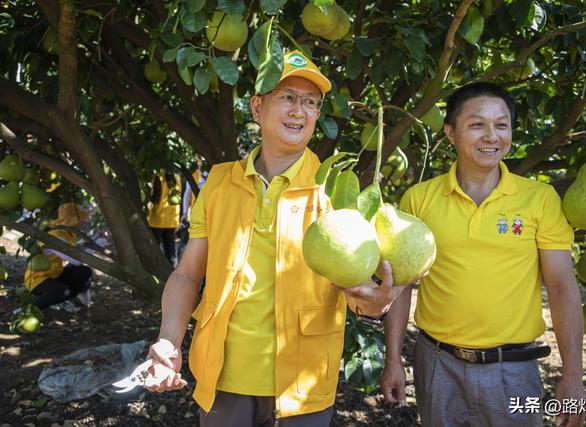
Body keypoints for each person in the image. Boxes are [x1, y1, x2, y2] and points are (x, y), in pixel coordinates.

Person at [144, 50, 407, 426]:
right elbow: (187, 274)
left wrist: (376, 304)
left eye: (311, 103)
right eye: (287, 98)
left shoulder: (337, 191)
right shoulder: (219, 183)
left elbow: (359, 291)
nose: (299, 111)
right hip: (223, 377)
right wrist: (169, 341)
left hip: (304, 382)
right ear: (257, 106)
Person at [380, 82, 585, 427]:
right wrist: (393, 360)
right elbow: (402, 285)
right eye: (477, 125)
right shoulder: (419, 199)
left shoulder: (540, 199)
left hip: (514, 369)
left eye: (501, 125)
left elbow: (562, 286)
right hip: (436, 364)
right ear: (450, 132)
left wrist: (573, 375)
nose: (491, 136)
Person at [24, 202, 93, 310]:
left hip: (54, 275)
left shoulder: (67, 234)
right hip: (38, 280)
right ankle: (30, 310)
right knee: (61, 291)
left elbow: (74, 254)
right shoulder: (55, 237)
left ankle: (62, 297)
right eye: (80, 221)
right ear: (72, 221)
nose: (82, 223)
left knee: (84, 272)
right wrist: (92, 249)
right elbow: (75, 260)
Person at [148, 172, 181, 267]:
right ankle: (171, 272)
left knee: (154, 250)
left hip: (157, 220)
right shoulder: (177, 178)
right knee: (170, 251)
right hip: (171, 221)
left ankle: (155, 269)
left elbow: (153, 198)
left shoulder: (158, 177)